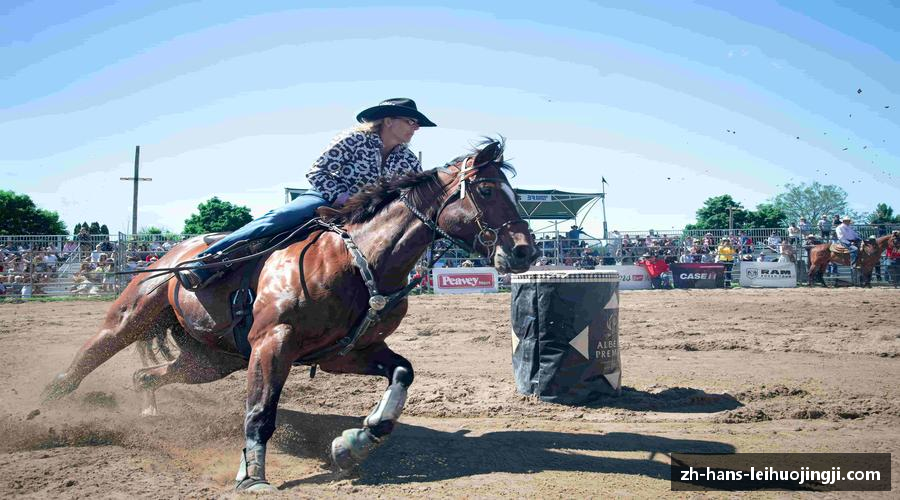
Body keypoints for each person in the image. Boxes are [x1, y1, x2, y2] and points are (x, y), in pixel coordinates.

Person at [176, 98, 436, 290]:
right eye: (411, 122)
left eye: (416, 124)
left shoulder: (408, 159)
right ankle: (205, 262)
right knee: (278, 219)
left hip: (371, 213)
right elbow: (317, 172)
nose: (416, 128)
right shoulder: (353, 140)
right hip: (327, 199)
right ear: (388, 120)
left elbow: (411, 196)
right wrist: (343, 198)